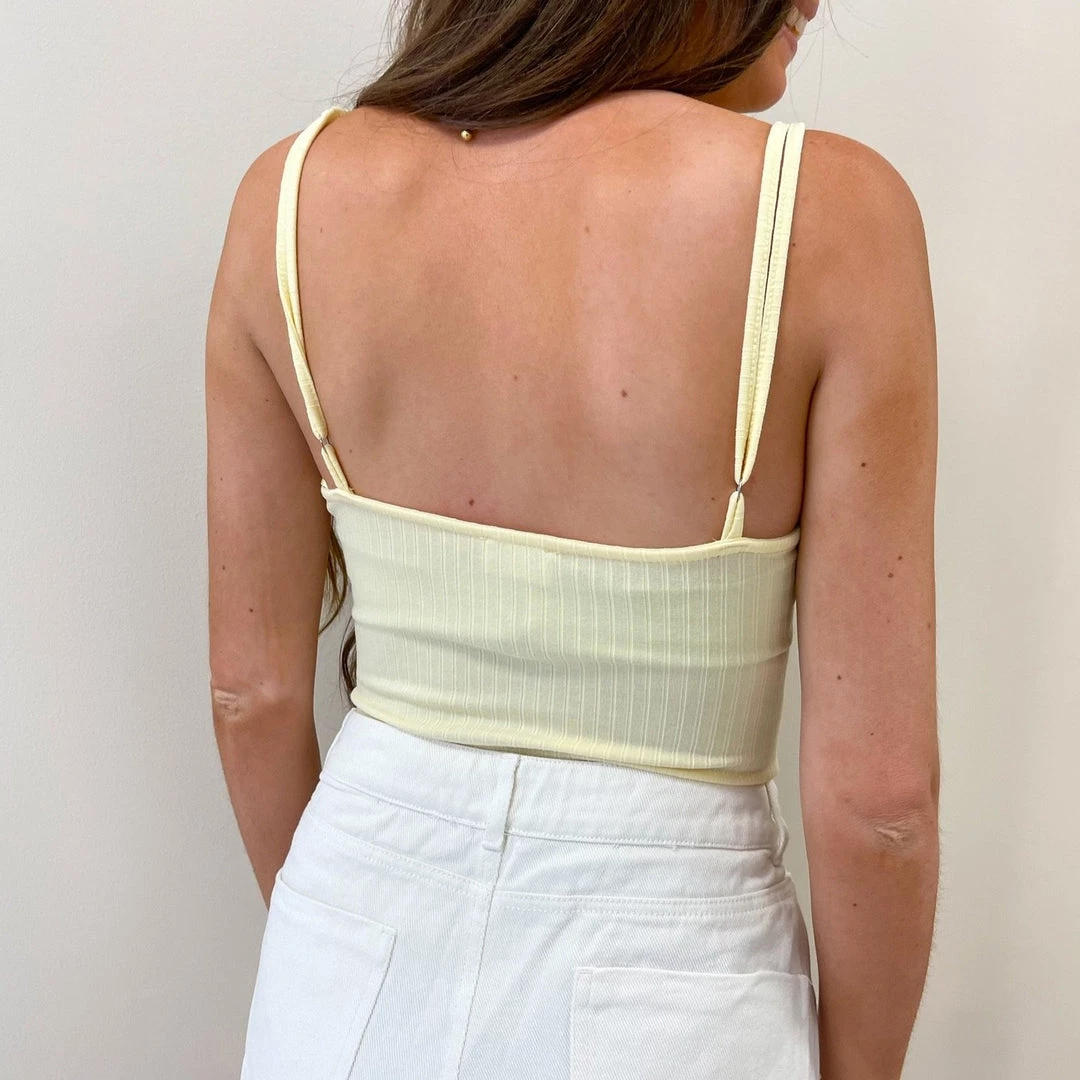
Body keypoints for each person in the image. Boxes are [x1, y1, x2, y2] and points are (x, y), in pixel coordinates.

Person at [205, 2, 940, 1077]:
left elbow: (252, 697)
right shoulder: (830, 216)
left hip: (349, 944)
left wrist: (338, 938)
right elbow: (882, 805)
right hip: (678, 973)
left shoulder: (291, 196)